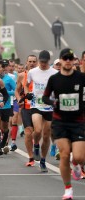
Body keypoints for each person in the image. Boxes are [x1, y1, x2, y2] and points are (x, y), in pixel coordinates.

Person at [42, 48, 85, 200]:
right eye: (65, 58)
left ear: (74, 61)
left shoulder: (81, 77)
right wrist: (53, 101)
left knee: (79, 157)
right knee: (65, 154)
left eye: (70, 58)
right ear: (60, 61)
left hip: (78, 122)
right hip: (60, 122)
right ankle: (68, 189)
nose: (67, 61)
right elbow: (45, 98)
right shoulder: (54, 79)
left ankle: (77, 164)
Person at [25, 50, 58, 172]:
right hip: (36, 105)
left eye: (45, 62)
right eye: (41, 62)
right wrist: (28, 92)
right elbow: (26, 84)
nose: (43, 64)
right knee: (37, 130)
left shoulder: (54, 73)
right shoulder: (32, 72)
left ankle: (43, 160)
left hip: (49, 107)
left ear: (48, 61)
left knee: (46, 135)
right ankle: (36, 146)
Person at [15, 55, 37, 166]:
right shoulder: (21, 76)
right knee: (28, 132)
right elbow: (17, 91)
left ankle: (37, 148)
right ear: (26, 62)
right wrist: (19, 100)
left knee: (38, 132)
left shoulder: (41, 75)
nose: (32, 63)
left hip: (39, 108)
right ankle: (31, 157)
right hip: (26, 108)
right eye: (30, 61)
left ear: (37, 63)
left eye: (34, 61)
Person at [0, 59, 16, 155]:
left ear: (3, 69)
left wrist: (6, 92)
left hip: (6, 106)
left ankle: (4, 142)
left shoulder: (9, 79)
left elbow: (16, 91)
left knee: (4, 128)